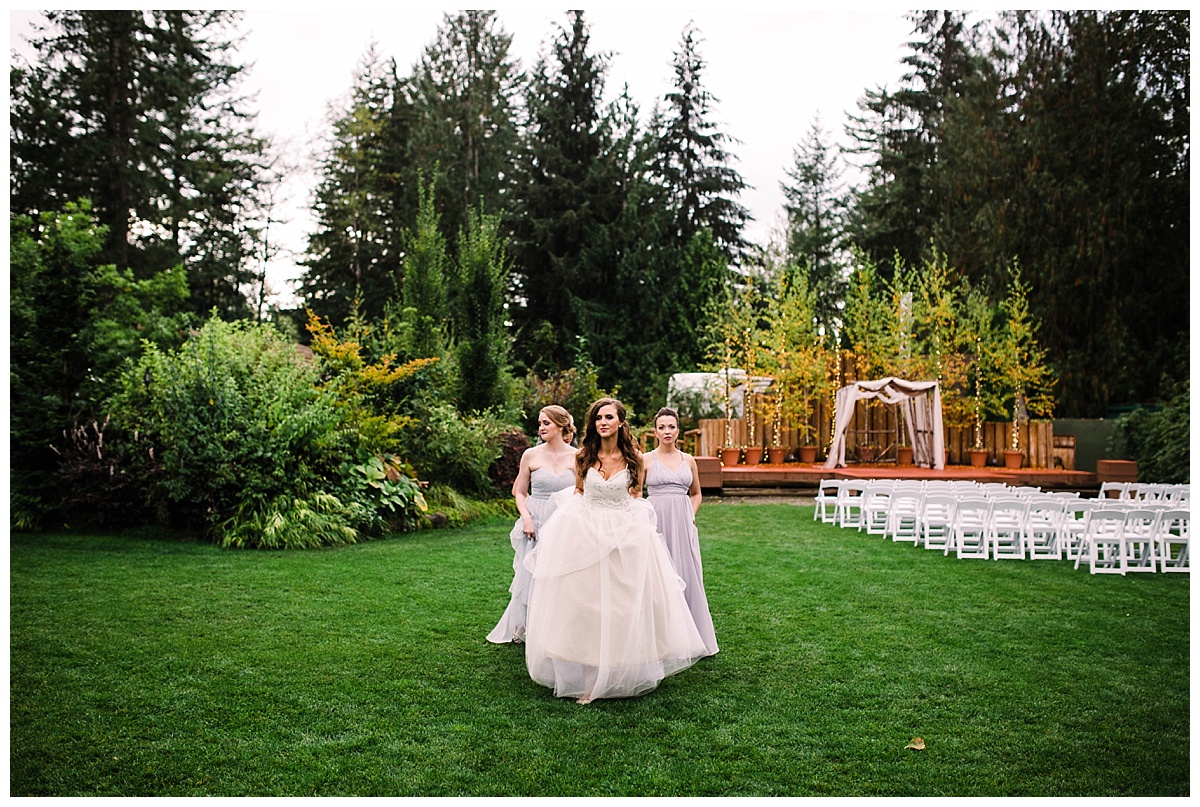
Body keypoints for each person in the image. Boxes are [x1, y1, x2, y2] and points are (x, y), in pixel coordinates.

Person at [524, 397, 707, 704]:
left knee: (622, 604)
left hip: (624, 532)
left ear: (621, 422)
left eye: (609, 417)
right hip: (585, 531)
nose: (603, 422)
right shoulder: (583, 456)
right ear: (593, 424)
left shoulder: (635, 458)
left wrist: (633, 531)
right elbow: (579, 493)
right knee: (585, 605)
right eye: (598, 418)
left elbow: (635, 497)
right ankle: (588, 678)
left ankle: (620, 672)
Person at [486, 405, 577, 645]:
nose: (541, 427)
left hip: (564, 521)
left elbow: (582, 492)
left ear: (560, 425)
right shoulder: (531, 455)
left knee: (560, 573)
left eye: (546, 423)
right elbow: (520, 492)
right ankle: (522, 625)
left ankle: (555, 626)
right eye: (540, 423)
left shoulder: (577, 457)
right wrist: (526, 517)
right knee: (530, 574)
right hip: (536, 520)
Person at [641, 407, 719, 657]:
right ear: (655, 431)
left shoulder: (689, 460)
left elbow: (696, 494)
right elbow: (634, 494)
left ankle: (695, 637)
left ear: (678, 431)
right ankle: (661, 641)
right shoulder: (646, 459)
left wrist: (691, 515)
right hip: (655, 523)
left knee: (688, 575)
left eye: (671, 427)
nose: (666, 431)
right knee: (658, 577)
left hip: (683, 525)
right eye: (662, 427)